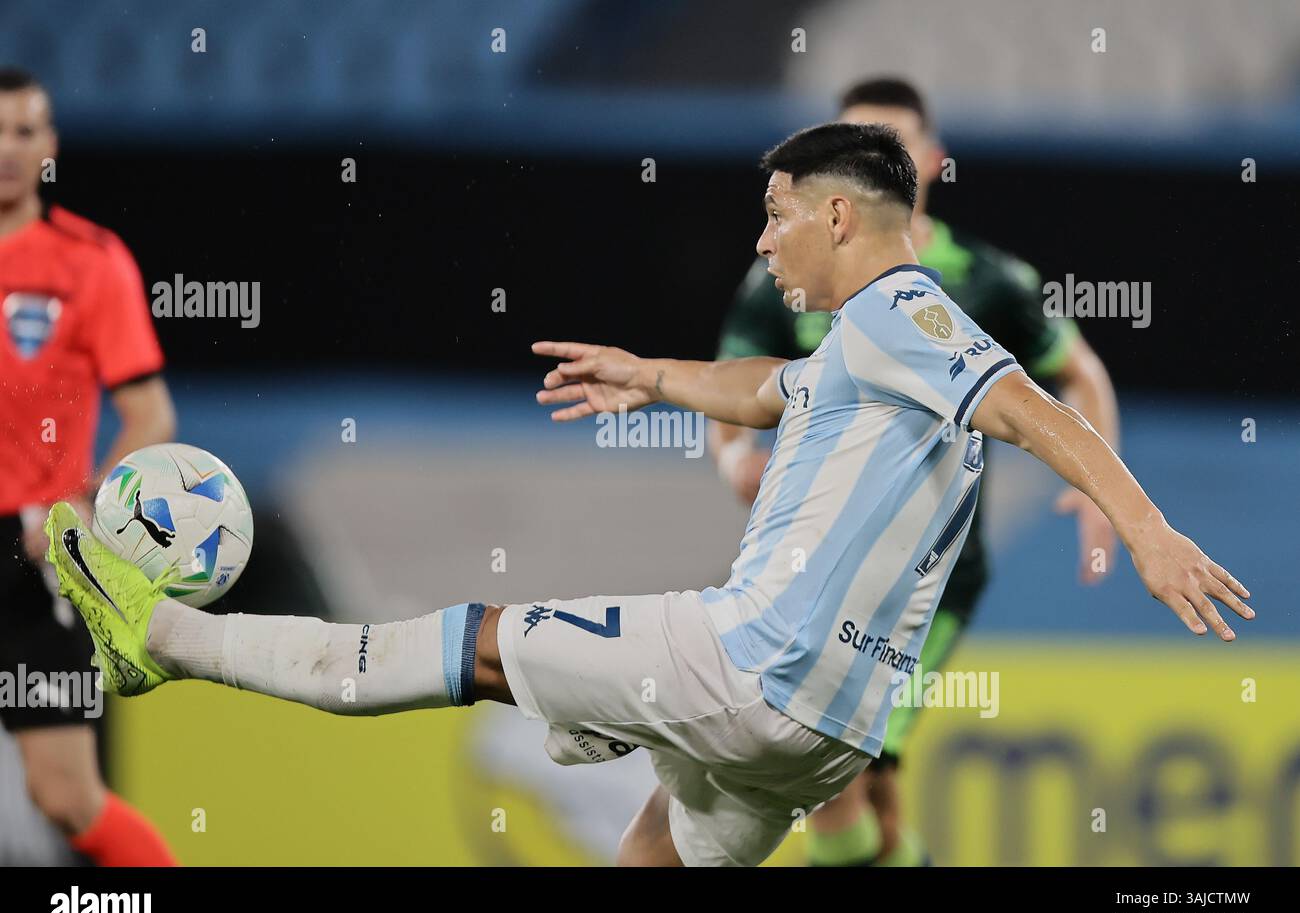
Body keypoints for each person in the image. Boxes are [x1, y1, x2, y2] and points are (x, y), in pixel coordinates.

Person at [43, 123, 1250, 868]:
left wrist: (1145, 525)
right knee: (651, 857)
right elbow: (774, 386)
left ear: (840, 213)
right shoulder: (865, 351)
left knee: (467, 646)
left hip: (746, 663)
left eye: (777, 218)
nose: (765, 246)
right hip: (823, 740)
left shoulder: (908, 310)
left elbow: (1031, 409)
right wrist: (651, 375)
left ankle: (163, 636)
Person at [711, 76, 1120, 866]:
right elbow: (728, 381)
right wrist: (735, 459)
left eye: (889, 148)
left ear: (931, 161)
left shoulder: (984, 279)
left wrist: (1095, 487)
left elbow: (1079, 374)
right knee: (862, 796)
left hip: (926, 588)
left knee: (831, 783)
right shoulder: (782, 275)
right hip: (820, 576)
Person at [0, 67, 178, 865]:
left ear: (51, 147)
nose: (7, 150)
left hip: (32, 560)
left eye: (25, 131)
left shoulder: (91, 263)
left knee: (66, 798)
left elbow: (150, 415)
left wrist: (82, 507)